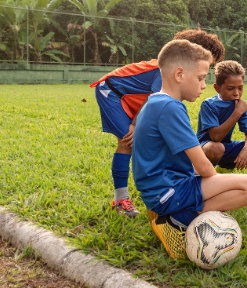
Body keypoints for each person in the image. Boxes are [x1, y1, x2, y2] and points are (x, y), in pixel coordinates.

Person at [132, 40, 247, 250]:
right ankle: (177, 221)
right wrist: (218, 186)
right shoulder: (171, 108)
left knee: (231, 185)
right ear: (179, 75)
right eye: (201, 78)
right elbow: (203, 166)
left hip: (160, 189)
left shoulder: (155, 101)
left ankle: (175, 213)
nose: (204, 85)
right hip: (167, 192)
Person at [91, 29, 225, 217]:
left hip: (130, 96)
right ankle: (121, 198)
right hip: (111, 92)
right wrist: (135, 125)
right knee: (127, 141)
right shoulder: (163, 70)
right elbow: (153, 97)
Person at [197, 60, 247, 172]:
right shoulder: (209, 104)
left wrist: (246, 150)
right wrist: (237, 113)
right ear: (217, 88)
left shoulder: (241, 105)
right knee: (216, 148)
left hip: (226, 146)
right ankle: (206, 172)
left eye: (240, 88)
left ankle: (225, 167)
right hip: (205, 147)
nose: (236, 93)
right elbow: (216, 137)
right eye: (230, 89)